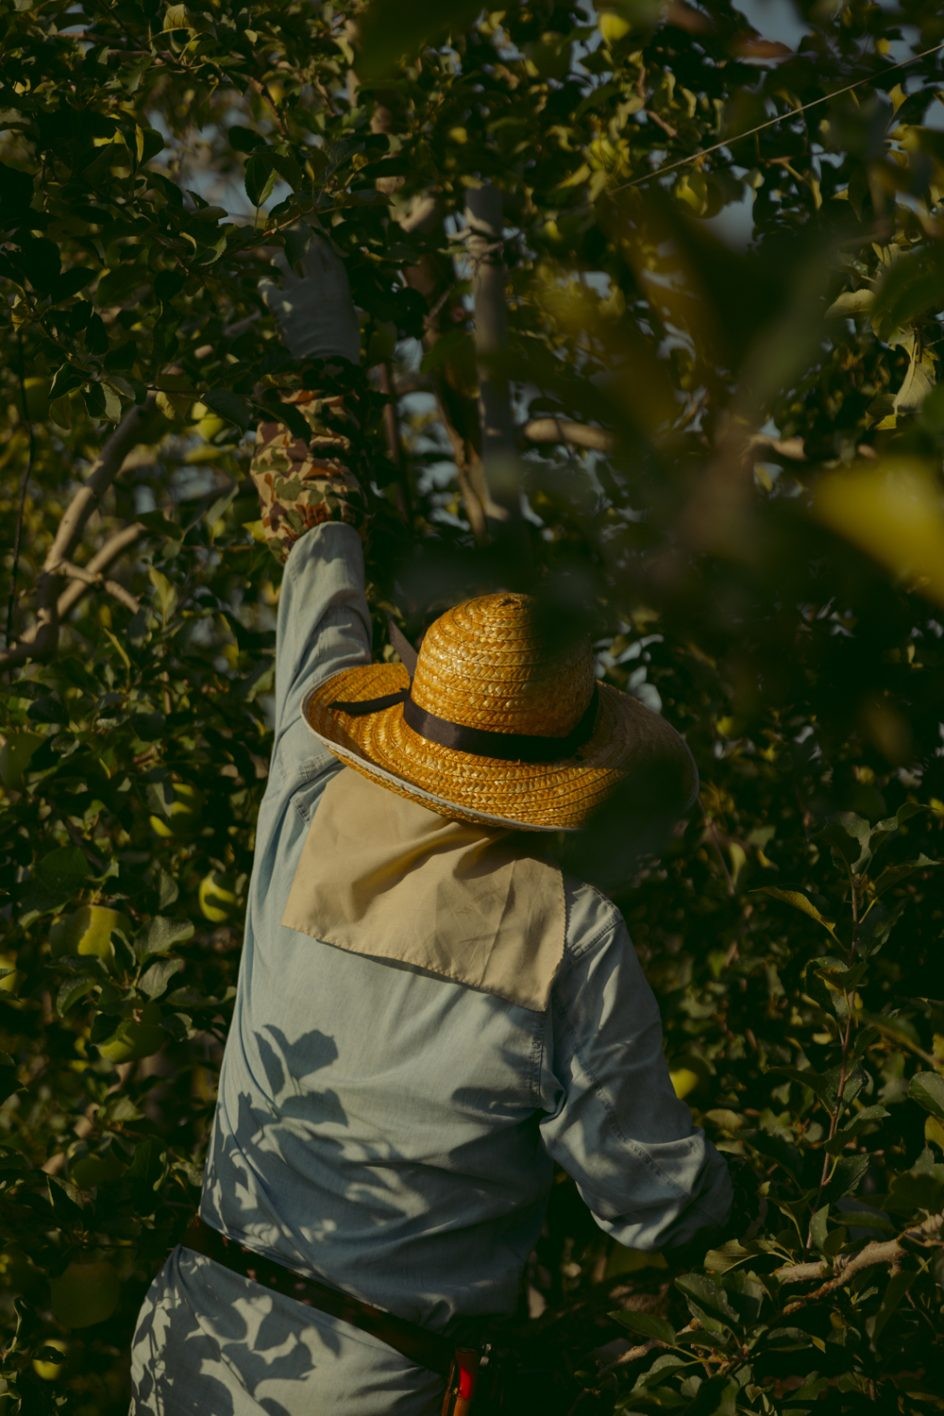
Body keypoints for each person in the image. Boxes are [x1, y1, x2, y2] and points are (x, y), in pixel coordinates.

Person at [129, 236, 750, 1416]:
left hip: (195, 1333)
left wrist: (317, 335)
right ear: (569, 766)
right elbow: (648, 1200)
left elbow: (316, 544)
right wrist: (744, 1200)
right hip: (368, 1383)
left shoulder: (309, 786)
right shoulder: (566, 934)